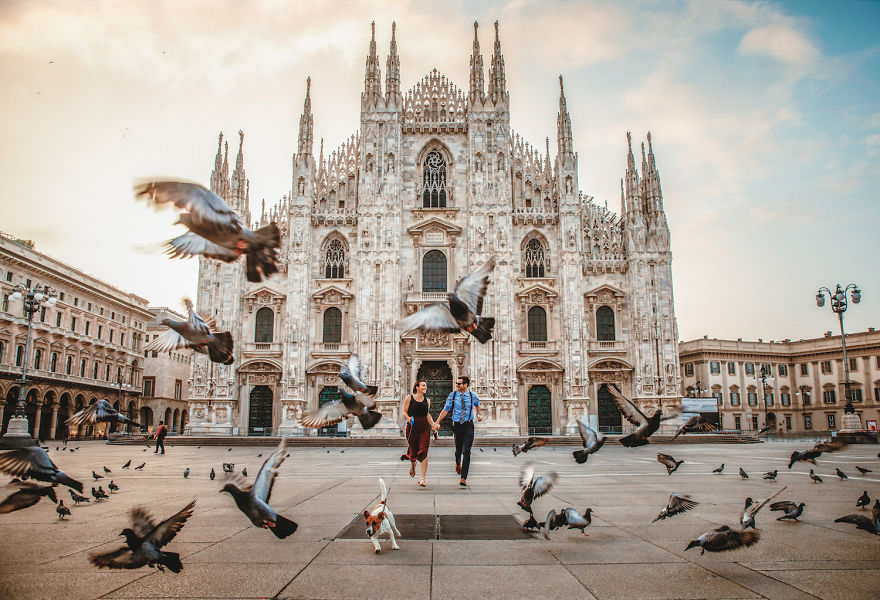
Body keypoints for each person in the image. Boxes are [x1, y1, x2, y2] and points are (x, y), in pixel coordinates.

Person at [433, 375, 481, 487]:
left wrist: (478, 414)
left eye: (459, 384)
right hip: (457, 425)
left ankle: (463, 477)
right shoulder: (453, 395)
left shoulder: (473, 396)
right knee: (458, 450)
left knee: (467, 451)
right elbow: (446, 409)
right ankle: (457, 462)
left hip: (468, 425)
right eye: (456, 383)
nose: (457, 385)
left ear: (465, 385)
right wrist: (437, 421)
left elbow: (477, 405)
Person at [402, 380, 436, 487]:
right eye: (423, 385)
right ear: (417, 387)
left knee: (424, 451)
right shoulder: (409, 398)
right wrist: (408, 418)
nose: (425, 387)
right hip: (412, 427)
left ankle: (422, 478)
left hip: (424, 427)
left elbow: (427, 414)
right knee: (413, 451)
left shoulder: (427, 400)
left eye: (426, 386)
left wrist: (434, 425)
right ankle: (413, 465)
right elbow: (404, 412)